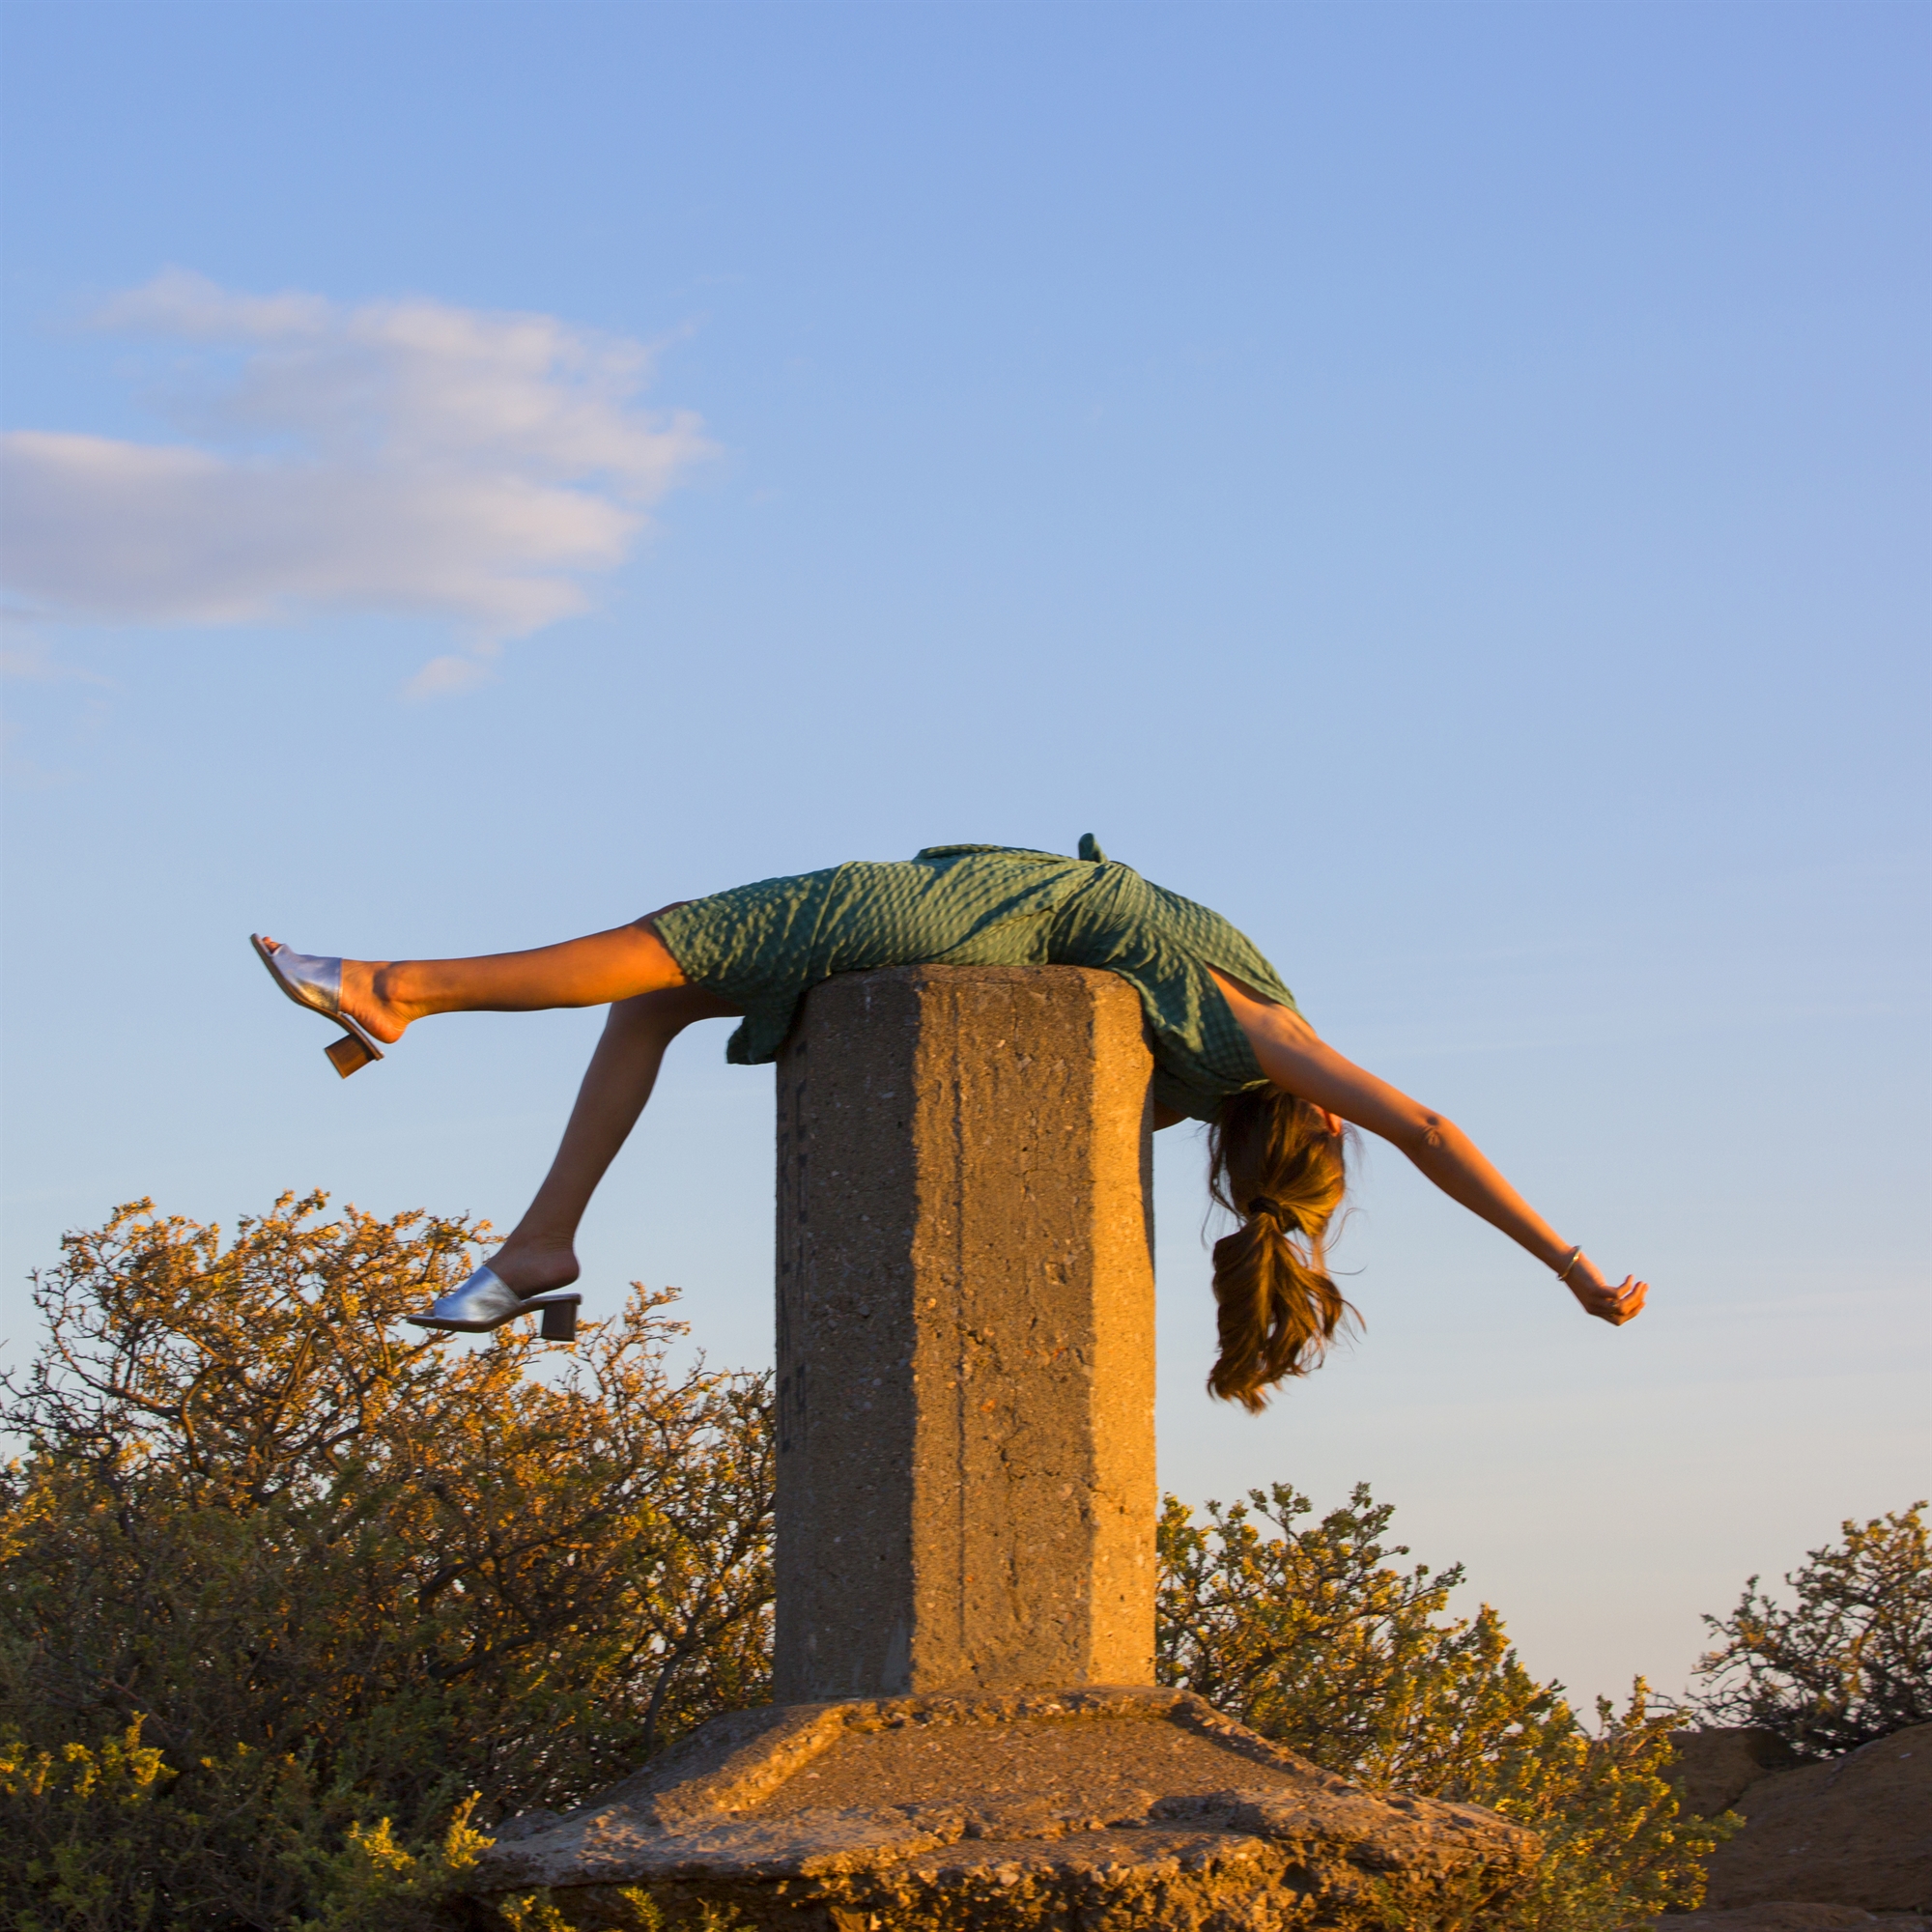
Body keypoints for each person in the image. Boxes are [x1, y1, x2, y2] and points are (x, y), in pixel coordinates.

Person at [253, 838, 1646, 1409]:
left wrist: (1575, 1265)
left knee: (678, 941)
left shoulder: (1257, 1037)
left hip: (961, 914)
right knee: (655, 1003)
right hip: (987, 930)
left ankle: (398, 989)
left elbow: (1432, 1128)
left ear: (1310, 1124)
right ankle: (543, 1244)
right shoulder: (1191, 1083)